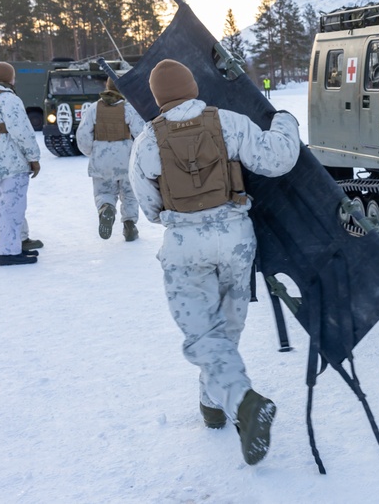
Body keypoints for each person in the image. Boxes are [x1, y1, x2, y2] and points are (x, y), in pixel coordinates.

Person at [129, 58, 302, 465]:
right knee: (226, 326)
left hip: (185, 245)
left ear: (158, 98)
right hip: (235, 238)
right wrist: (285, 120)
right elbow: (277, 158)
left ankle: (241, 400)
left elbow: (149, 207)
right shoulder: (228, 122)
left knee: (202, 333)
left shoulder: (147, 142)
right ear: (192, 86)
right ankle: (212, 403)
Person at [0, 61, 42, 266]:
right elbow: (22, 132)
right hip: (11, 162)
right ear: (10, 78)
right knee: (12, 209)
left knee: (4, 207)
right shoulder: (9, 99)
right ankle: (10, 253)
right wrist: (33, 158)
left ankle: (12, 248)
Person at [76, 78, 146, 240]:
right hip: (126, 159)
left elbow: (83, 136)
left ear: (106, 86)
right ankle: (129, 225)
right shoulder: (128, 109)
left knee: (104, 191)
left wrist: (92, 152)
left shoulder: (94, 109)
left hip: (101, 159)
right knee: (129, 193)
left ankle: (105, 207)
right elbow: (141, 133)